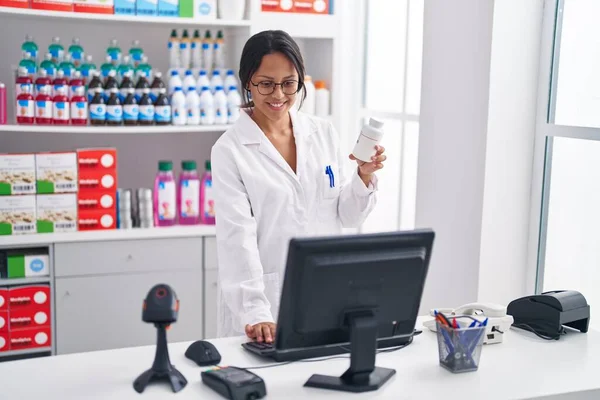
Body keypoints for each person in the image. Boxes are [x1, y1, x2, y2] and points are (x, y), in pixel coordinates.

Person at [211, 30, 387, 342]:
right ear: (247, 82)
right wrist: (256, 312)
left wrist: (362, 177)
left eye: (289, 83)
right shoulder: (230, 150)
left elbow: (345, 216)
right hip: (265, 308)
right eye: (266, 83)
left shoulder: (322, 132)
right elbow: (236, 240)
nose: (278, 94)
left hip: (325, 295)